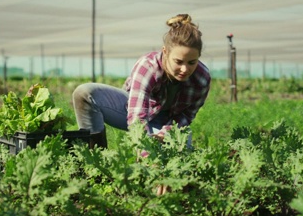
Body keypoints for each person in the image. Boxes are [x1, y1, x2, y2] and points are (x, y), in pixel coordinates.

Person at [72, 14, 211, 149]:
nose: (185, 69)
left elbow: (186, 116)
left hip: (165, 121)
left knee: (180, 147)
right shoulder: (148, 67)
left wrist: (165, 133)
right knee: (85, 93)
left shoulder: (202, 79)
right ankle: (94, 158)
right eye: (178, 62)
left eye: (192, 62)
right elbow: (137, 118)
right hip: (131, 109)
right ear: (165, 52)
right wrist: (144, 153)